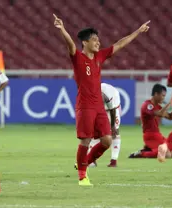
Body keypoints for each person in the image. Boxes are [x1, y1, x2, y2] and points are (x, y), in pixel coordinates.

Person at [53, 14, 150, 185]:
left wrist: (138, 32)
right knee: (86, 140)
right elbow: (69, 44)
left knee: (107, 140)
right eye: (94, 40)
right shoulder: (78, 58)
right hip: (85, 106)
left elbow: (120, 44)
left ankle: (83, 164)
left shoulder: (100, 57)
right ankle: (82, 176)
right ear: (85, 42)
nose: (98, 42)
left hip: (99, 106)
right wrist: (62, 30)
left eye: (98, 39)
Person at [128, 84, 172, 161]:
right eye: (163, 95)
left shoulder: (158, 106)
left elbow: (170, 117)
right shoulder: (147, 105)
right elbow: (159, 113)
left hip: (158, 135)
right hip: (150, 136)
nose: (163, 98)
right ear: (156, 94)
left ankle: (148, 150)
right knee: (167, 155)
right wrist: (170, 103)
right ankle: (142, 153)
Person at [89, 83, 121, 167]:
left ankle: (114, 160)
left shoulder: (105, 95)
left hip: (113, 107)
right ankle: (91, 160)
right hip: (101, 109)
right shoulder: (87, 94)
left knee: (115, 133)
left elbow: (112, 109)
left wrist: (113, 126)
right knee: (95, 134)